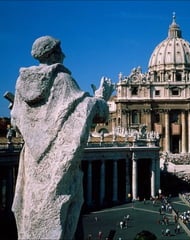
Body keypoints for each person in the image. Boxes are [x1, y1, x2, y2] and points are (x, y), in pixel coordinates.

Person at [11, 36, 112, 240]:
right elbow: (87, 108)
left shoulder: (21, 83)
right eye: (61, 51)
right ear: (54, 54)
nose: (64, 55)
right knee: (59, 212)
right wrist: (101, 97)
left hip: (33, 158)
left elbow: (15, 121)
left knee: (32, 208)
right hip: (56, 159)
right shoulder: (62, 80)